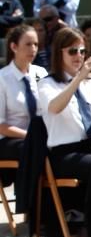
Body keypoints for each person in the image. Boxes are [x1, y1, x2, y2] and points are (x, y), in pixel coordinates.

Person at [37, 27, 91, 182]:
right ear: (60, 52)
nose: (79, 56)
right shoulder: (47, 83)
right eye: (73, 51)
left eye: (82, 51)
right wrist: (79, 78)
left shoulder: (88, 82)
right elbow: (55, 108)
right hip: (64, 153)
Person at [0, 24, 47, 162]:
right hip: (9, 141)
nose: (33, 49)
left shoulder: (41, 73)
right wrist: (30, 136)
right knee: (34, 147)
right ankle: (28, 185)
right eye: (28, 44)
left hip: (38, 138)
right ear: (14, 47)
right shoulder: (2, 78)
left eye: (36, 44)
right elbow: (1, 126)